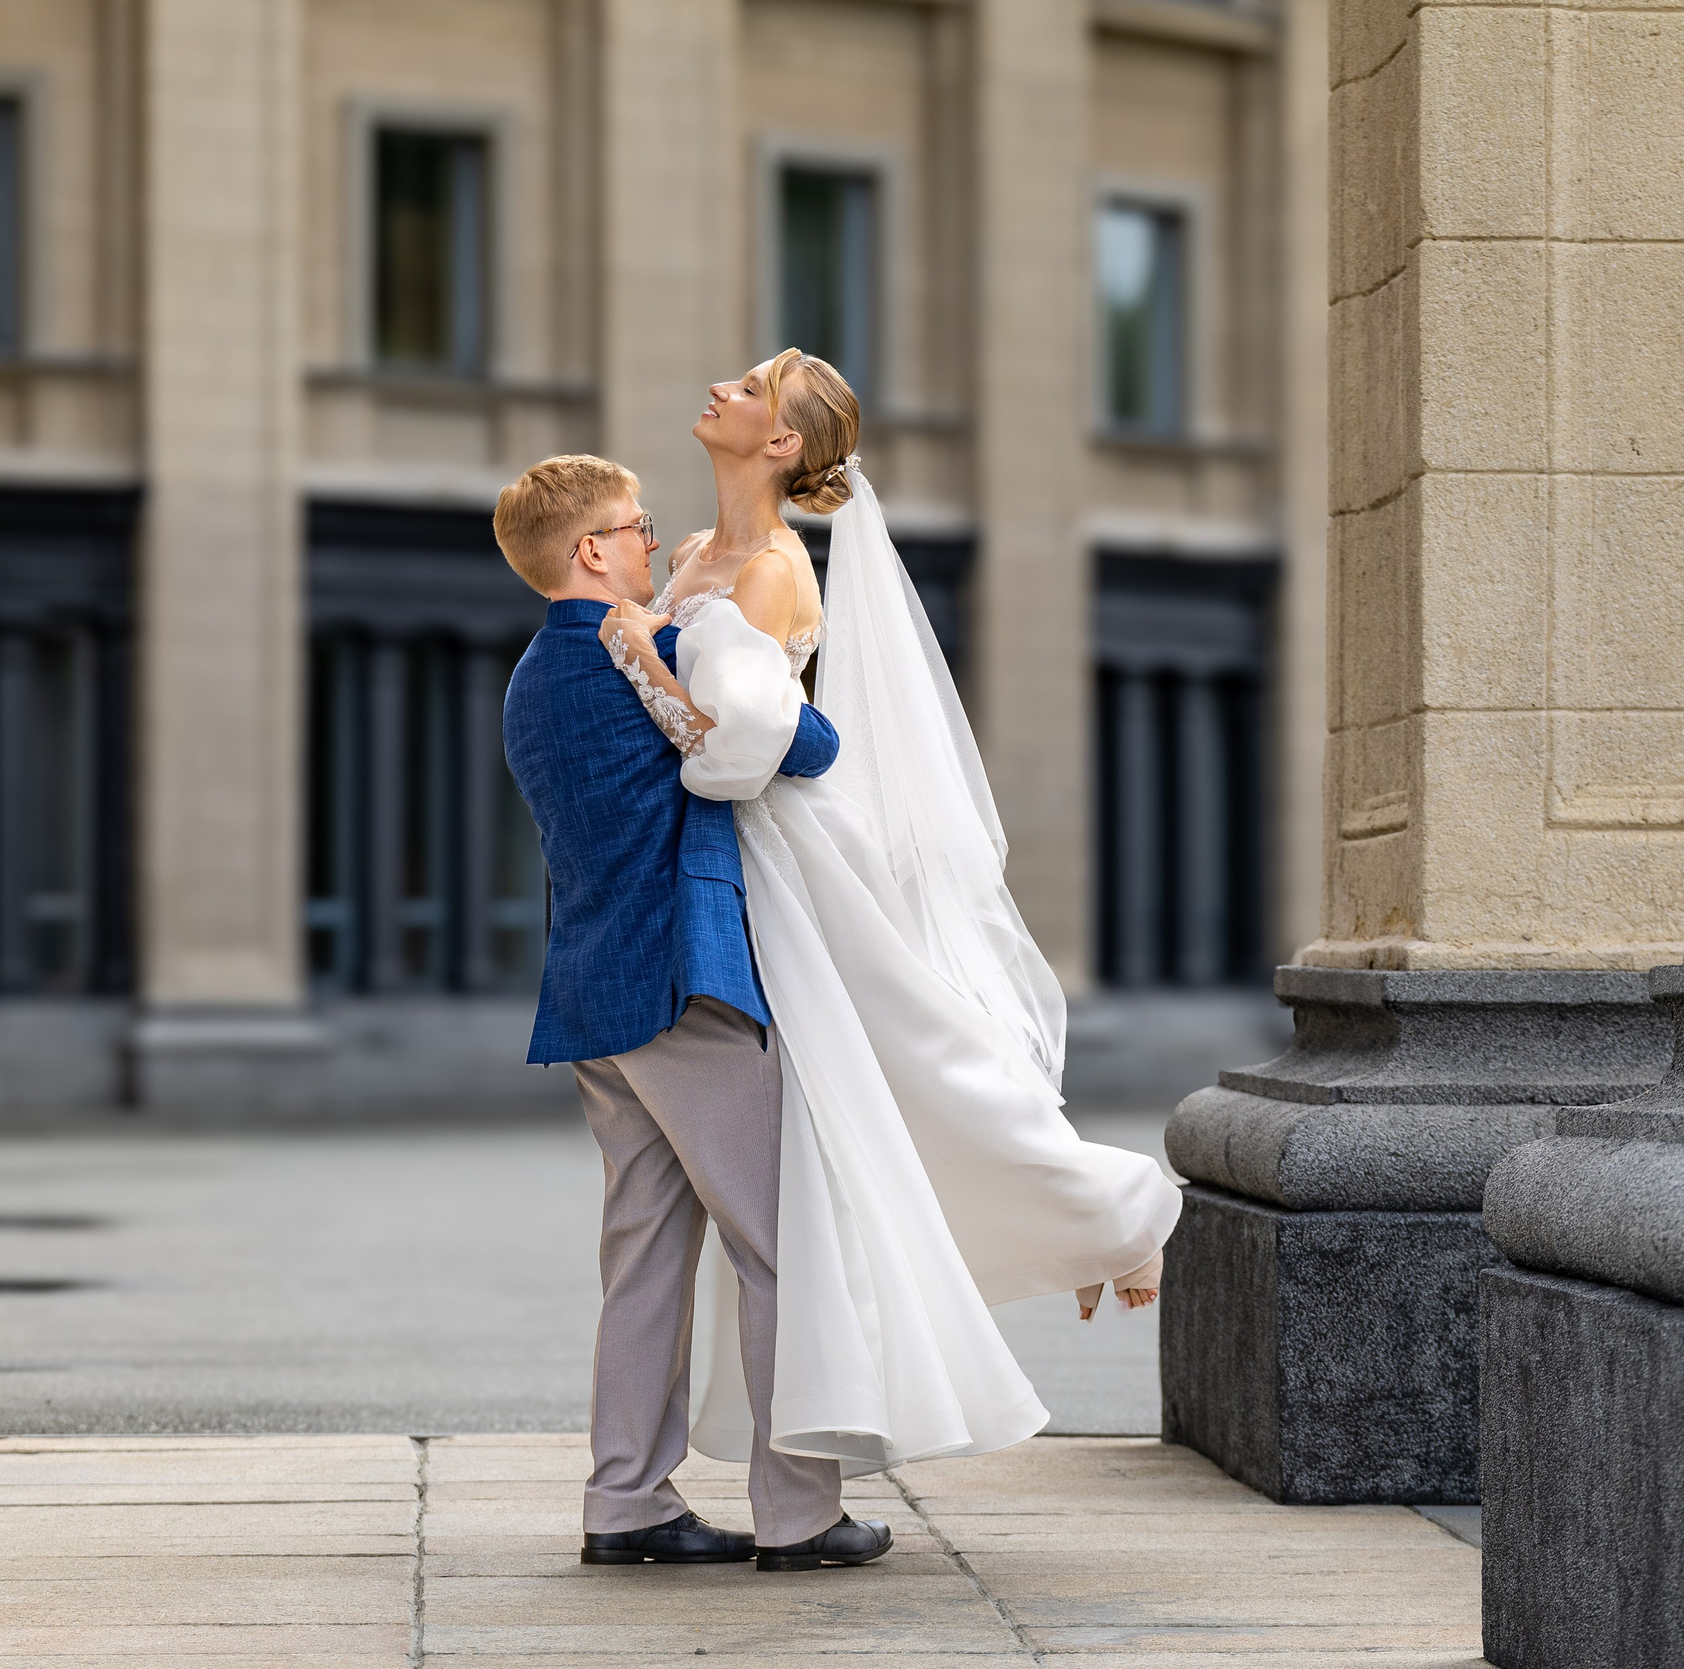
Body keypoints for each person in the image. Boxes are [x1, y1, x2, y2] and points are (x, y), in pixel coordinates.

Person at [596, 350, 1179, 1476]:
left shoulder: (769, 572)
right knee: (856, 1109)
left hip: (785, 859)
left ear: (779, 445)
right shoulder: (694, 559)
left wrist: (635, 648)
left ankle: (1117, 1216)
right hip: (726, 862)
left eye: (750, 386)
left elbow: (738, 755)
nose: (720, 384)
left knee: (912, 1065)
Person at [495, 455, 896, 1573]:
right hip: (688, 982)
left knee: (643, 1258)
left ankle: (624, 1501)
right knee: (779, 1249)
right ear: (590, 553)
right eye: (633, 530)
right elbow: (805, 746)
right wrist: (707, 626)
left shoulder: (533, 675)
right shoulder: (649, 648)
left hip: (596, 996)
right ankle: (801, 1513)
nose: (648, 546)